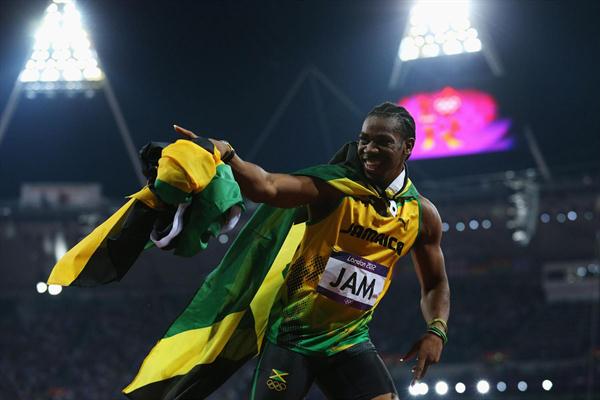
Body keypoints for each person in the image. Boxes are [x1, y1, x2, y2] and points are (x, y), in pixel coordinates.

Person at [197, 101, 450, 400]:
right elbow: (268, 187)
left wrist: (436, 330)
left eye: (383, 142)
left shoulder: (421, 215)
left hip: (349, 342)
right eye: (364, 140)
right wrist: (229, 155)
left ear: (407, 147)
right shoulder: (335, 189)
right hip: (292, 340)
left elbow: (435, 283)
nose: (369, 149)